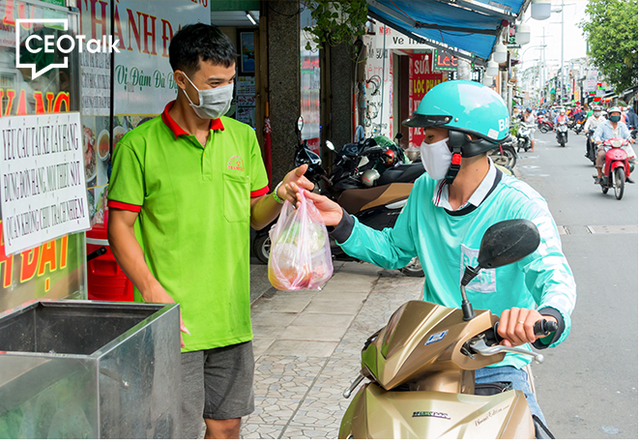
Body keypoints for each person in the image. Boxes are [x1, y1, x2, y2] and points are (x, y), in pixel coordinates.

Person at [294, 80, 576, 426]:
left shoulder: (521, 205)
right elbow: (395, 250)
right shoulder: (425, 190)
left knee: (527, 430)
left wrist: (547, 316)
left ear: (465, 142)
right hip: (430, 351)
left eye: (429, 138)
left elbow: (553, 273)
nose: (420, 147)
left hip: (495, 361)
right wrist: (341, 222)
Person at [106, 24, 313, 439]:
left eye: (230, 81)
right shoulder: (139, 146)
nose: (225, 91)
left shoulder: (242, 137)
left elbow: (256, 216)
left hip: (231, 316)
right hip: (172, 321)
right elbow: (119, 227)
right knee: (173, 430)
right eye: (214, 83)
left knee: (227, 425)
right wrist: (149, 288)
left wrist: (281, 193)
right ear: (182, 80)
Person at [593, 106, 636, 184]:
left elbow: (627, 135)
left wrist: (630, 139)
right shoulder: (603, 125)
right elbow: (597, 135)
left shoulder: (622, 125)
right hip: (606, 146)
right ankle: (599, 175)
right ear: (610, 115)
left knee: (628, 157)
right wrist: (598, 140)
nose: (616, 115)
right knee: (601, 154)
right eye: (614, 114)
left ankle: (627, 174)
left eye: (617, 114)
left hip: (620, 146)